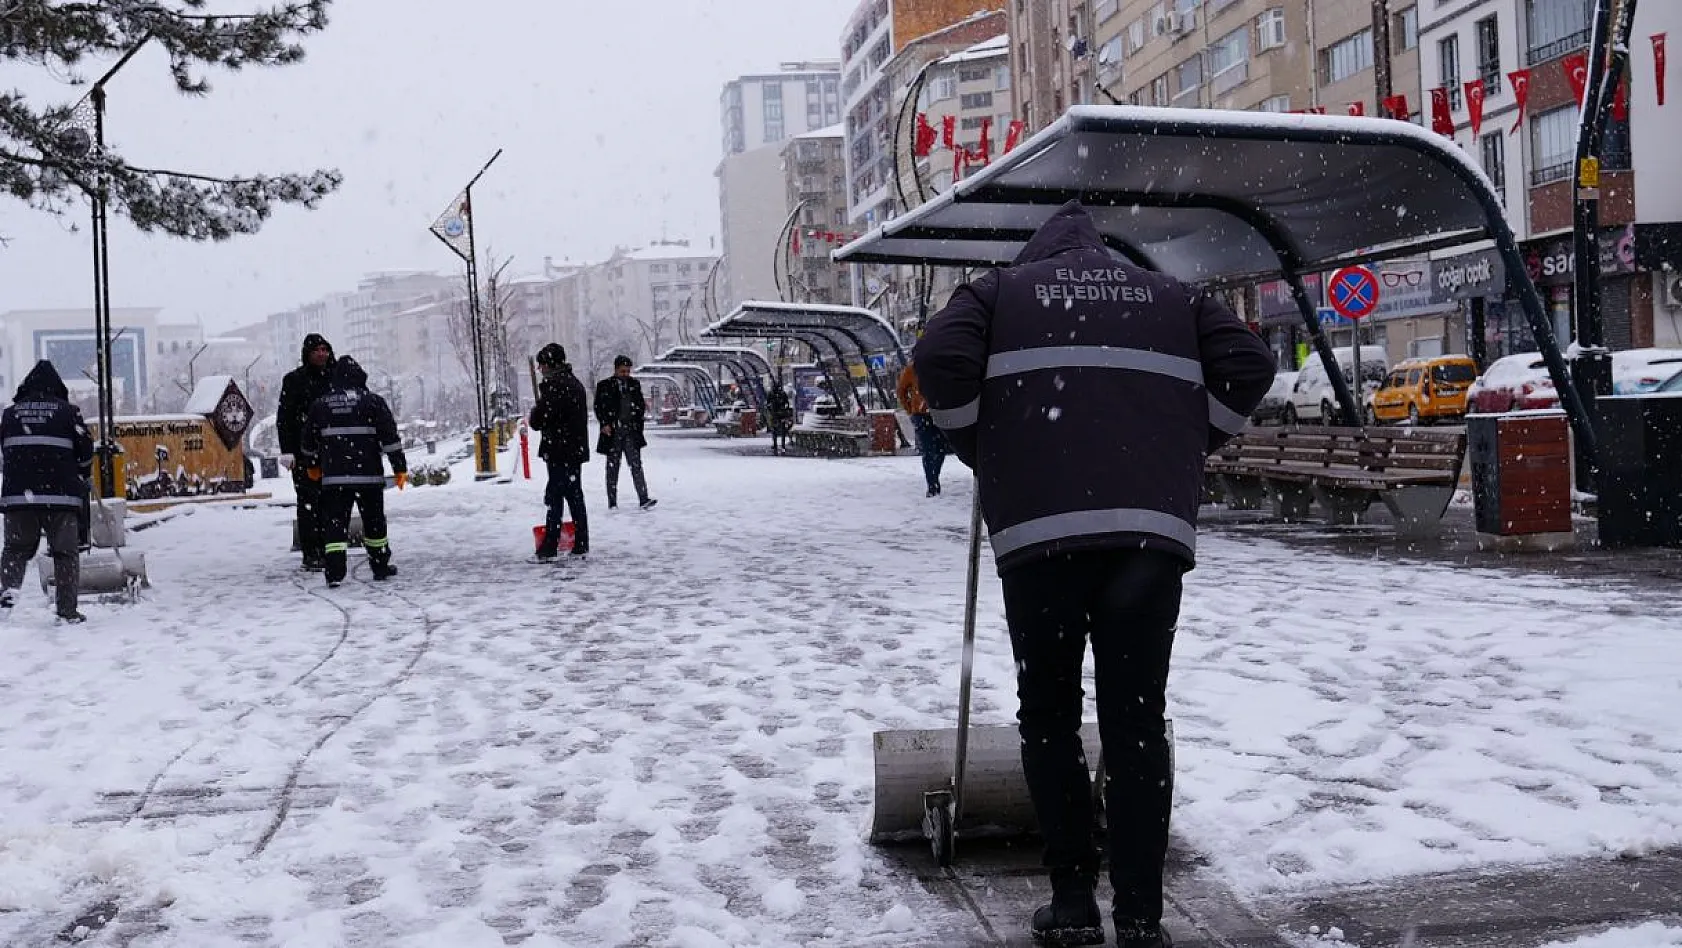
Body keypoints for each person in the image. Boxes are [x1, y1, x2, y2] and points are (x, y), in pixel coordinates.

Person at [913, 202, 1273, 948]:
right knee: (1135, 720)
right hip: (1148, 539)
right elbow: (1249, 364)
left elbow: (941, 361)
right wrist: (1185, 441)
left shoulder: (998, 292)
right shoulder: (1174, 295)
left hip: (1041, 537)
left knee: (1048, 715)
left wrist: (988, 443)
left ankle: (1073, 902)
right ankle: (1141, 915)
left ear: (1042, 252)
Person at [0, 361, 95, 623]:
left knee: (15, 550)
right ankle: (67, 611)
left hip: (19, 497)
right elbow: (86, 450)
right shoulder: (68, 413)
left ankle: (5, 602)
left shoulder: (10, 414)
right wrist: (81, 472)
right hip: (61, 498)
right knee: (65, 554)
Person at [300, 356, 408, 588]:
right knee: (374, 523)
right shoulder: (373, 402)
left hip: (334, 479)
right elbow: (390, 439)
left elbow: (308, 440)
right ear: (360, 377)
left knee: (335, 525)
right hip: (369, 477)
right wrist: (400, 467)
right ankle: (379, 565)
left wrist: (312, 464)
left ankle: (335, 572)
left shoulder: (321, 404)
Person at [277, 334, 335, 570]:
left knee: (332, 502)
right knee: (309, 502)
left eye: (325, 350)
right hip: (304, 454)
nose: (321, 354)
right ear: (307, 354)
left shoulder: (336, 377)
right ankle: (312, 552)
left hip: (334, 451)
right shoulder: (294, 381)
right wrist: (288, 451)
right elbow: (285, 418)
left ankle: (331, 549)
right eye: (316, 350)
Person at [528, 343, 590, 561]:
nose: (540, 370)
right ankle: (581, 543)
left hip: (558, 451)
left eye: (542, 365)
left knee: (554, 498)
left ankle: (549, 546)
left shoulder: (555, 387)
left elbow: (538, 421)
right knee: (574, 496)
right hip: (573, 450)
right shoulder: (574, 384)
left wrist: (536, 410)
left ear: (550, 364)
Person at [594, 355, 656, 510]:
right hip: (613, 433)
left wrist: (637, 419)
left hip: (631, 432)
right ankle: (612, 502)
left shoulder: (634, 384)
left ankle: (643, 498)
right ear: (615, 370)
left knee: (636, 466)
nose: (626, 374)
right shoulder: (604, 386)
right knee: (612, 468)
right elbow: (599, 407)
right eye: (622, 371)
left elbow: (639, 405)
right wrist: (605, 424)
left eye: (628, 371)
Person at [897, 361, 946, 497]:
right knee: (929, 450)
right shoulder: (912, 369)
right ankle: (932, 484)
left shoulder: (940, 366)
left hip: (938, 412)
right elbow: (901, 391)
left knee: (940, 450)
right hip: (922, 415)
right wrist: (911, 409)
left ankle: (934, 478)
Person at [766, 377, 795, 456]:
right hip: (782, 414)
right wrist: (784, 409)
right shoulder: (782, 393)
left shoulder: (771, 393)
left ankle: (775, 444)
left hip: (774, 414)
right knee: (783, 430)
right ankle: (782, 445)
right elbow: (787, 403)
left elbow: (767, 404)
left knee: (774, 430)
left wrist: (771, 410)